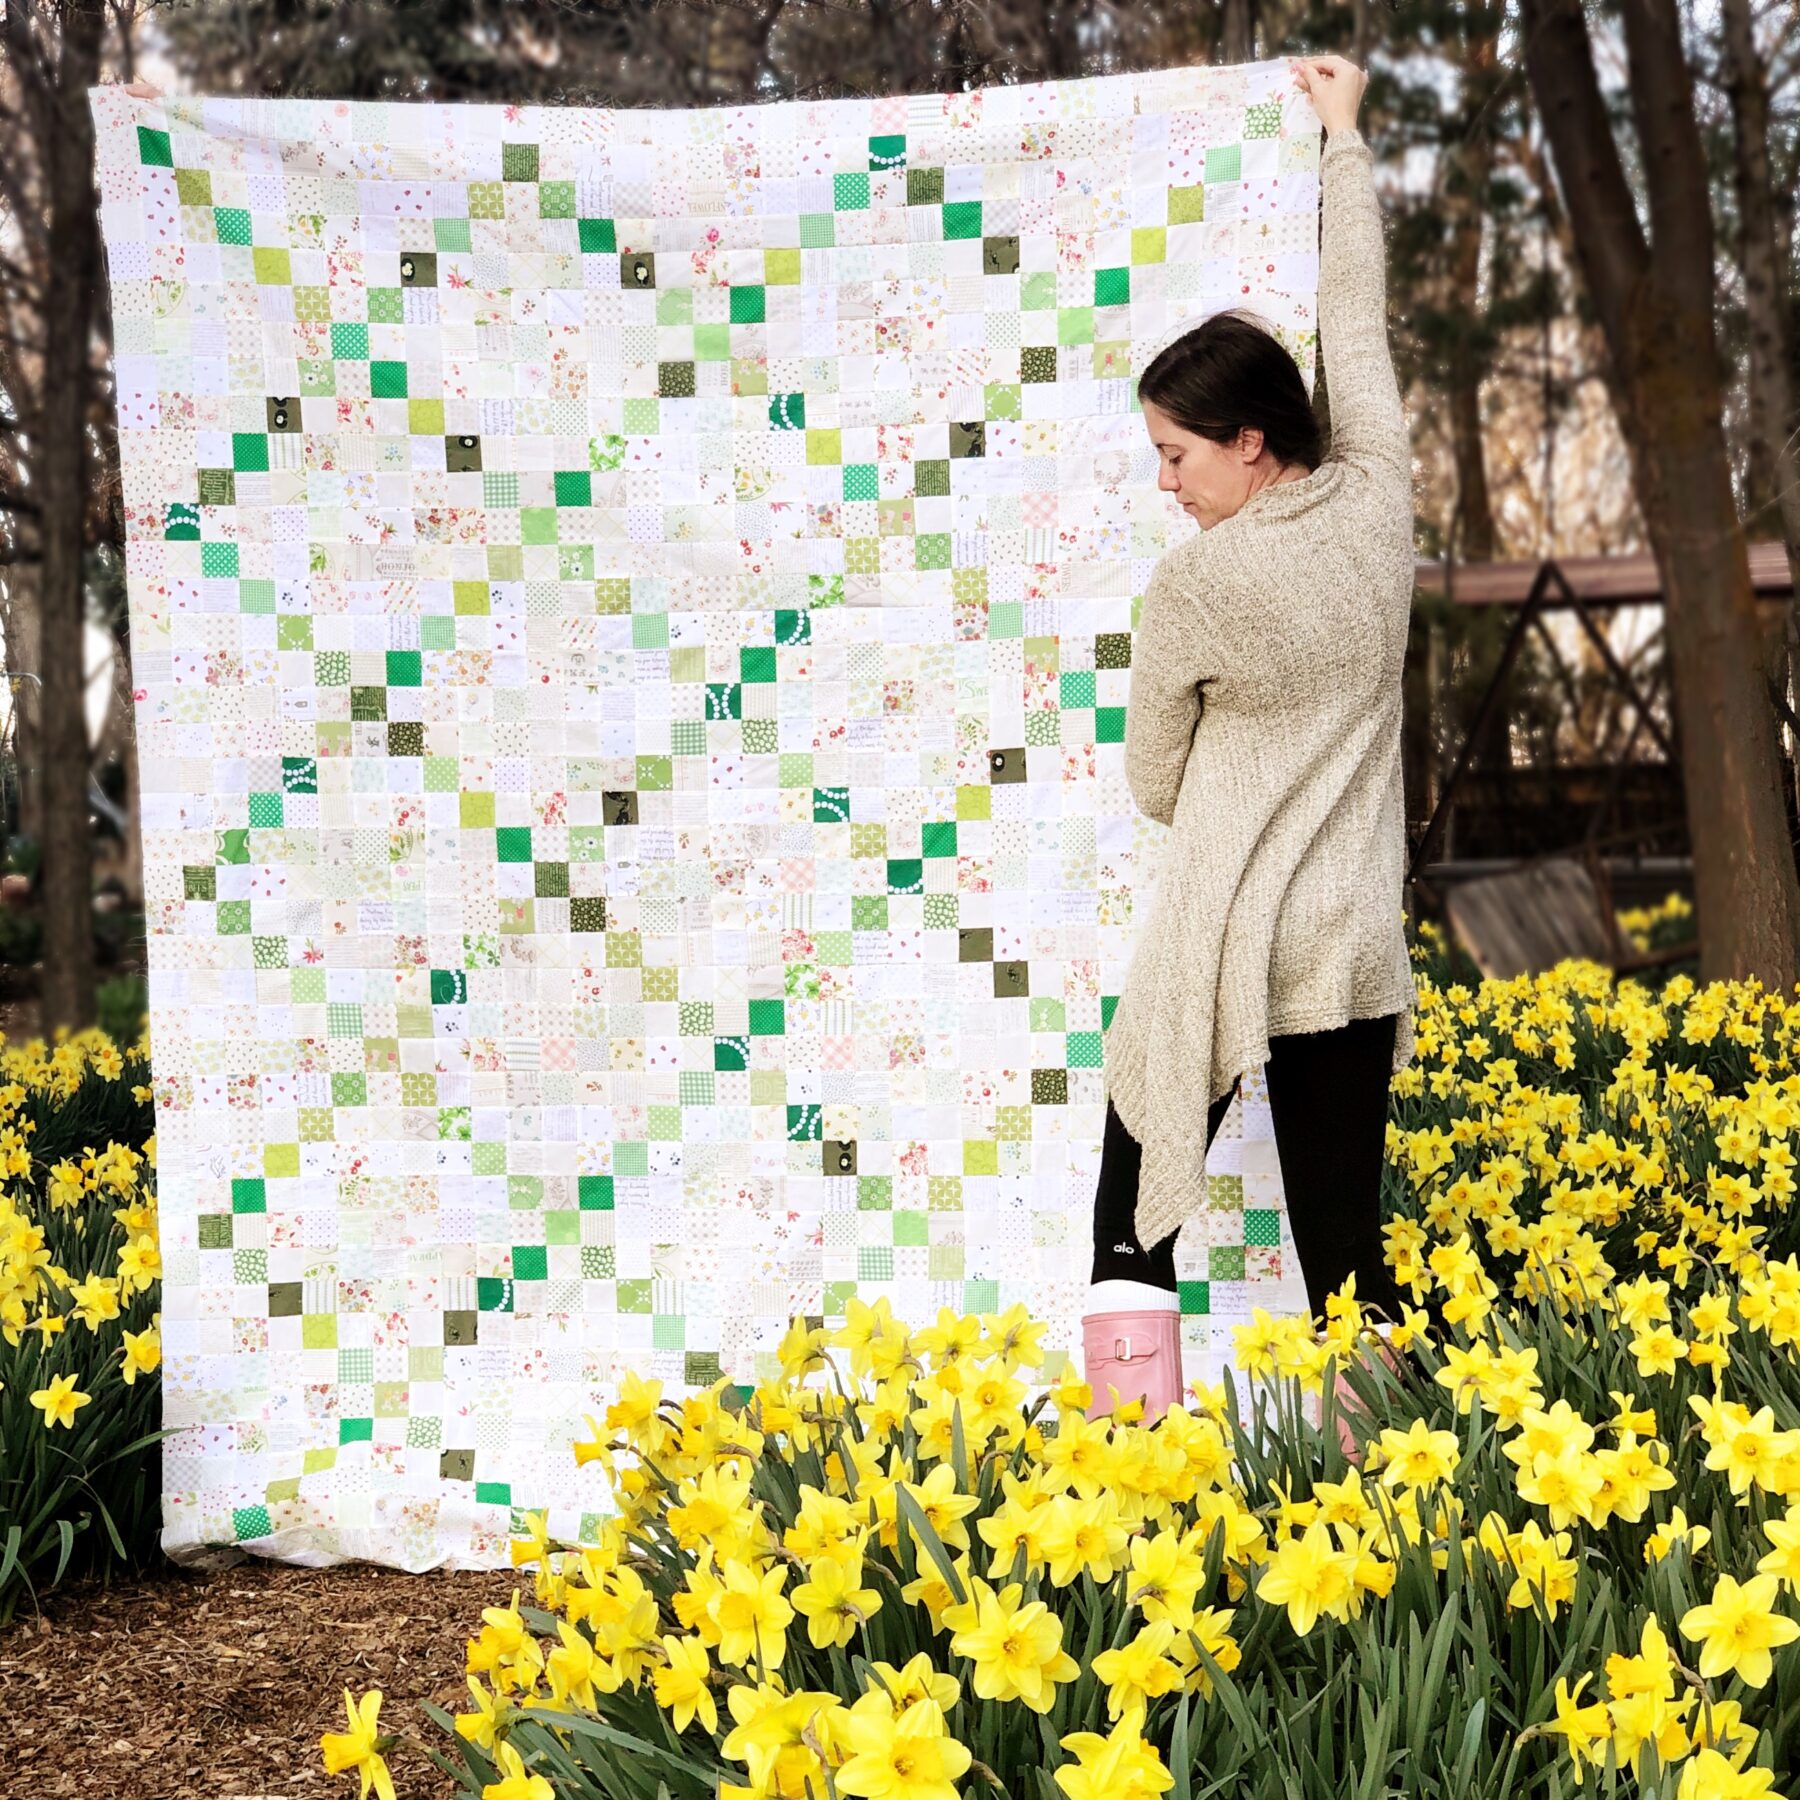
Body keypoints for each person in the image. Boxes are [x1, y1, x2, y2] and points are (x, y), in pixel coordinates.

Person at [1084, 55, 1417, 1422]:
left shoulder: (1198, 587)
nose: (1166, 483)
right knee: (1345, 1253)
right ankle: (1385, 1497)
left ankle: (1126, 1471)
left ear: (1252, 442)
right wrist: (1344, 136)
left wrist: (1235, 757)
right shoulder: (1380, 497)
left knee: (1131, 1214)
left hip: (1222, 932)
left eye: (1177, 455)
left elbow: (1154, 780)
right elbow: (1356, 318)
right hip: (1351, 943)